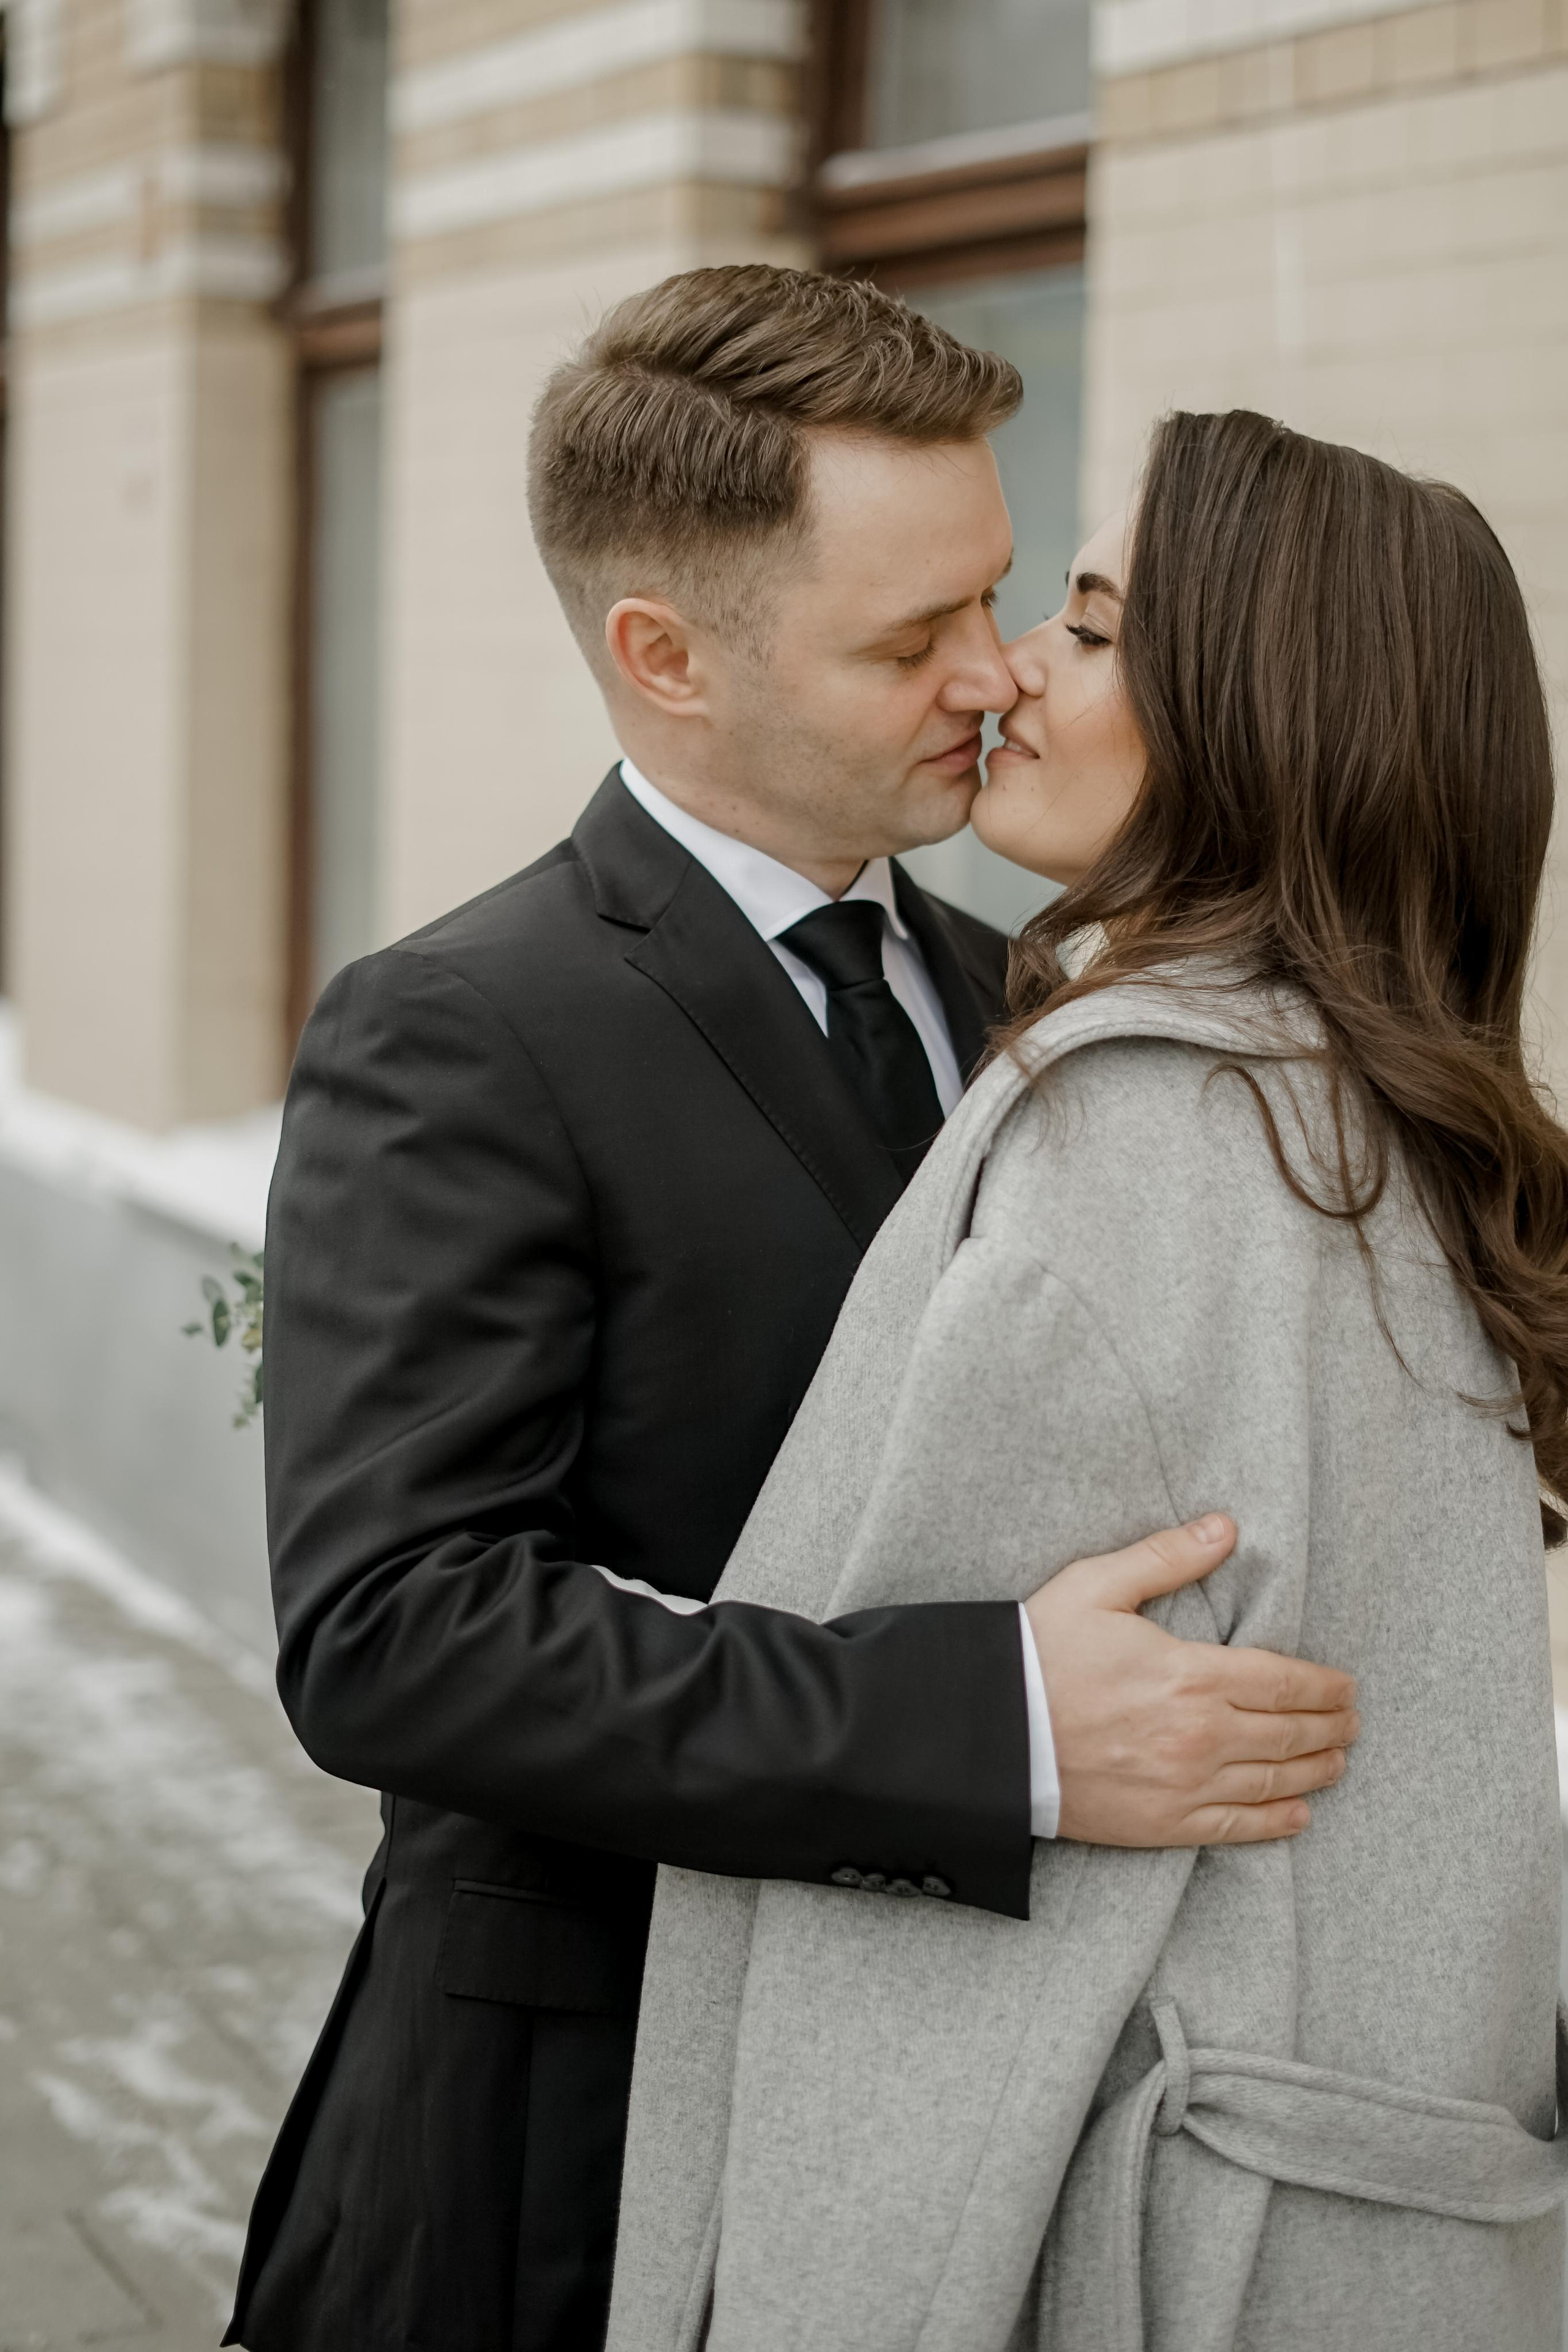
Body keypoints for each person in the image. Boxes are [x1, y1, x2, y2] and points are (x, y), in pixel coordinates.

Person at [224, 284, 1357, 2352]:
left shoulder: (1037, 997)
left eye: (997, 599)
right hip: (555, 2144)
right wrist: (996, 1728)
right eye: (905, 638)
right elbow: (395, 1636)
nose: (993, 675)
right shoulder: (464, 1027)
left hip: (954, 2143)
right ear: (666, 656)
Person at [606, 409, 1568, 2352]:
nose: (1013, 669)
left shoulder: (1149, 1126)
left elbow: (927, 1954)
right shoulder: (1388, 1121)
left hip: (1149, 2260)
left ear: (1264, 713)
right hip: (1398, 2237)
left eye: (1096, 624)